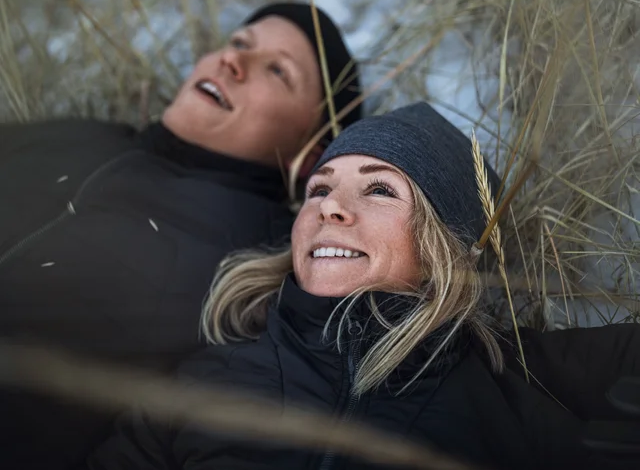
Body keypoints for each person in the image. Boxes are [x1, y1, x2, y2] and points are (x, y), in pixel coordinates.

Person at [84, 102, 640, 470]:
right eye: (319, 189)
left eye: (379, 190)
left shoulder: (524, 378)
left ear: (445, 246)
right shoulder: (199, 383)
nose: (330, 207)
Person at [0, 2, 362, 470]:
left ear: (310, 156)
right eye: (239, 42)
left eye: (277, 70)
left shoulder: (262, 266)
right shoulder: (81, 137)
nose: (232, 60)